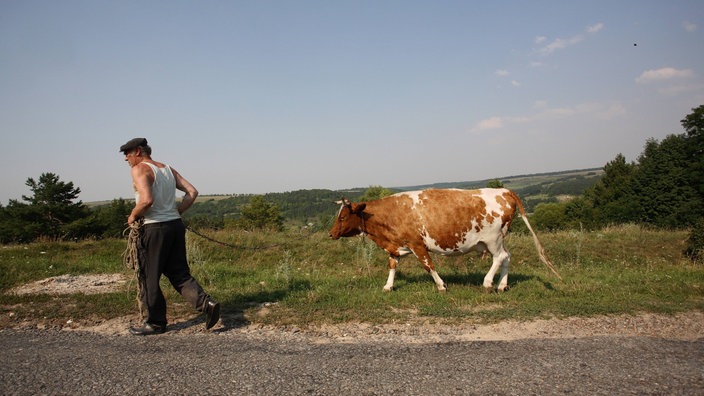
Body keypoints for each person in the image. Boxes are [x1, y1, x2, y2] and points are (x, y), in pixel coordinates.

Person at [119, 137, 220, 335]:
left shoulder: (139, 169)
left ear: (138, 151)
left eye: (127, 154)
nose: (126, 159)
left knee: (149, 275)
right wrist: (177, 211)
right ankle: (207, 304)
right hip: (175, 226)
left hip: (154, 229)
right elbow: (192, 191)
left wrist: (132, 216)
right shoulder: (167, 169)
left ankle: (155, 323)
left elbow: (146, 200)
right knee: (179, 273)